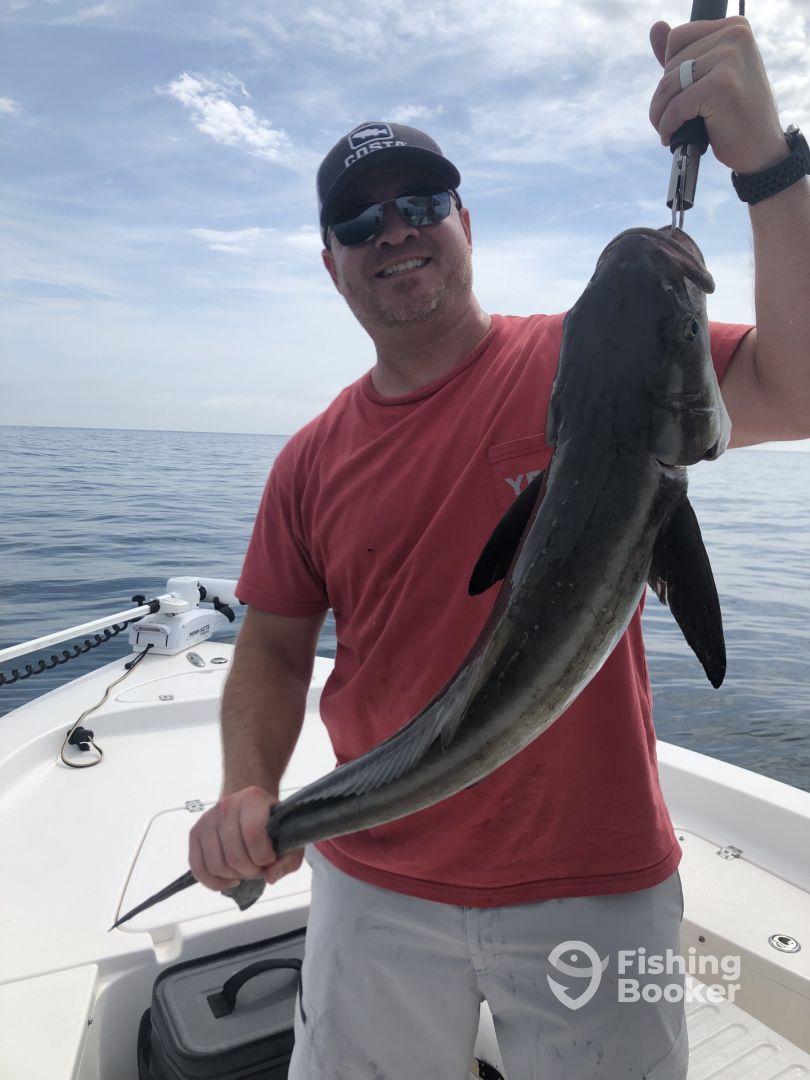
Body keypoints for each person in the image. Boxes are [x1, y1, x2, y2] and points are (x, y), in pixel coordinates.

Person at [189, 16, 809, 1080]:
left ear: (466, 222)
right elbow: (275, 649)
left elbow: (797, 390)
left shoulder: (584, 355)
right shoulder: (308, 461)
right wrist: (250, 787)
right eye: (361, 221)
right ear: (333, 266)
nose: (396, 231)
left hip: (596, 881)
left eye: (423, 204)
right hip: (370, 871)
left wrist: (766, 162)